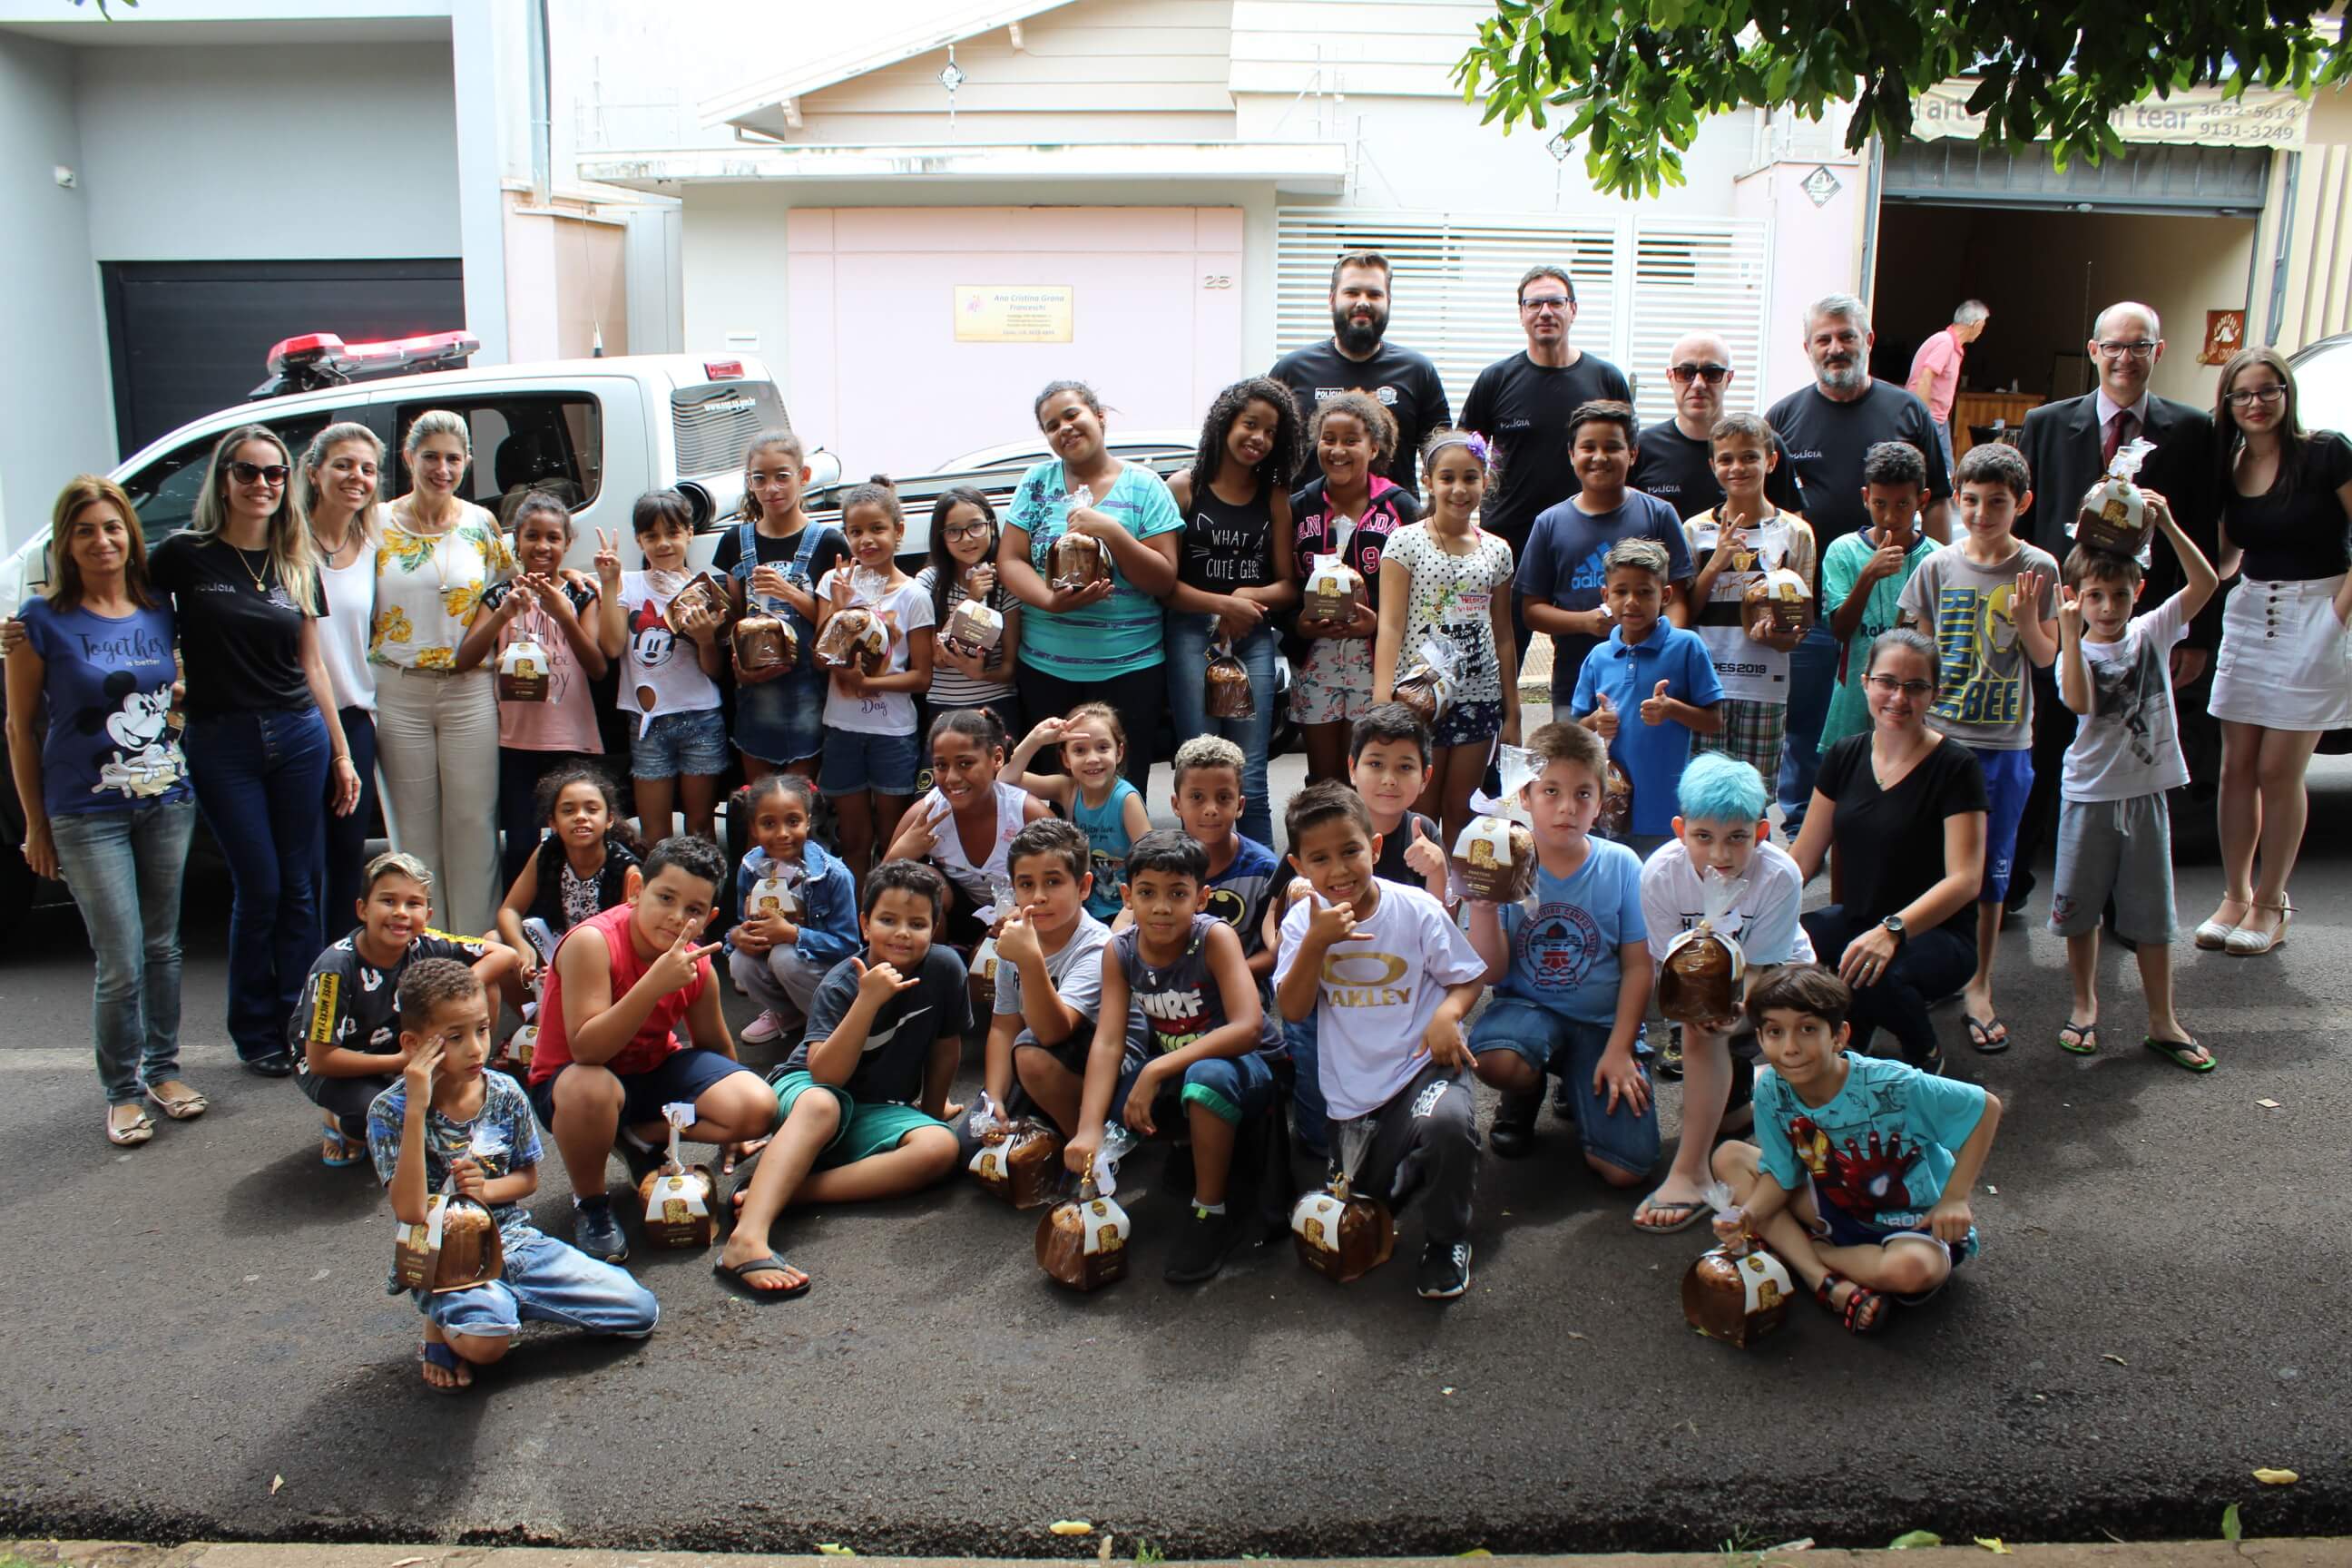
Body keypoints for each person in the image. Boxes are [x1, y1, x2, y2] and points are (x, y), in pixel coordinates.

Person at [149, 423, 362, 1074]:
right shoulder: (183, 554)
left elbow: (313, 665)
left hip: (297, 734)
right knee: (259, 885)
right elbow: (132, 621)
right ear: (224, 480)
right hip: (223, 740)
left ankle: (302, 1027)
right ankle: (254, 1030)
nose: (263, 484)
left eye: (274, 474)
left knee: (300, 886)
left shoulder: (296, 559)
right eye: (248, 472)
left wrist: (341, 753)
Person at [6, 476, 202, 1146]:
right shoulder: (38, 621)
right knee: (120, 959)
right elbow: (19, 728)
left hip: (166, 799)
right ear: (65, 542)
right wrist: (34, 824)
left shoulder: (158, 608)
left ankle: (163, 1071)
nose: (101, 541)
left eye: (113, 527)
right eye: (85, 530)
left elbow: (175, 686)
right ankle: (121, 1091)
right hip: (85, 813)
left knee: (163, 947)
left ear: (130, 535)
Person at [2012, 301, 2220, 919]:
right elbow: (2025, 524)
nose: (2125, 358)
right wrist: (2031, 618)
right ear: (2094, 351)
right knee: (2044, 747)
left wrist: (2196, 636)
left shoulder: (2192, 430)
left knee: (2127, 755)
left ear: (2159, 352)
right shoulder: (2047, 423)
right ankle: (2014, 881)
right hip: (2062, 619)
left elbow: (2204, 528)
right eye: (2114, 346)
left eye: (2139, 346)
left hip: (2142, 626)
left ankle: (2121, 903)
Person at [369, 958, 658, 1390]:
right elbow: (410, 1211)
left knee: (639, 1312)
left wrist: (486, 1190)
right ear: (413, 1044)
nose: (476, 1049)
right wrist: (416, 1108)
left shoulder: (504, 1091)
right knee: (487, 1344)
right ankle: (445, 1322)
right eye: (455, 1037)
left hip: (515, 1241)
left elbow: (528, 1179)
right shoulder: (390, 1111)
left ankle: (501, 1304)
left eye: (483, 1030)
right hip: (445, 1259)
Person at [715, 861, 968, 1298]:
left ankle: (794, 1190)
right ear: (865, 924)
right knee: (824, 1104)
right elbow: (825, 1073)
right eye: (888, 920)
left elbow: (946, 1048)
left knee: (941, 1148)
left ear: (934, 928)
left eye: (917, 924)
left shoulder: (945, 968)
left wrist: (930, 1114)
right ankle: (746, 1239)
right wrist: (867, 1002)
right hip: (807, 1090)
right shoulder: (842, 983)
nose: (902, 933)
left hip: (874, 1109)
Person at [1275, 782, 1486, 1299]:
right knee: (1361, 1210)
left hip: (1422, 1070)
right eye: (1320, 859)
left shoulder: (1415, 908)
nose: (1339, 870)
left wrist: (1448, 1014)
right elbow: (1293, 1008)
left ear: (1373, 847)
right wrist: (1316, 943)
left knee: (1447, 1127)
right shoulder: (1303, 921)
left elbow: (1468, 977)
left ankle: (1447, 1240)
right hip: (1353, 1095)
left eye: (1350, 850)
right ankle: (1405, 1169)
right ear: (1298, 867)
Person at [1710, 965, 2003, 1336]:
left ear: (1839, 1036)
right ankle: (1822, 1281)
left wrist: (1955, 1199)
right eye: (1775, 1032)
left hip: (1912, 1223)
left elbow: (1985, 1107)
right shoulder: (1771, 1089)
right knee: (1729, 1157)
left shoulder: (1892, 1084)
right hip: (1835, 1204)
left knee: (1912, 1271)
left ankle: (1806, 1253)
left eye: (1807, 1029)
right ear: (1760, 1038)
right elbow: (1782, 1175)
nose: (1790, 1048)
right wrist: (1747, 1217)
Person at [527, 835, 779, 1263]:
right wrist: (652, 985)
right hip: (575, 1084)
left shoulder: (696, 961)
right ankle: (591, 1203)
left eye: (694, 910)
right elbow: (587, 1050)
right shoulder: (592, 942)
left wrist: (736, 1132)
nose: (676, 918)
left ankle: (639, 1135)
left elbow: (715, 1044)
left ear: (708, 918)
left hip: (651, 1073)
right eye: (665, 898)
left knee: (757, 1108)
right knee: (591, 1088)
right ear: (635, 890)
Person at [1766, 296, 1954, 835]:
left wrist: (1937, 576)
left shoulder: (1907, 411)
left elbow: (1939, 501)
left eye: (1846, 336)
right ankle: (1803, 825)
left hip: (1896, 608)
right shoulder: (1784, 417)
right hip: (1810, 606)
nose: (1836, 348)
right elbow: (1770, 513)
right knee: (1809, 722)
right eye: (1823, 339)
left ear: (1867, 341)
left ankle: (1877, 818)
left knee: (1889, 714)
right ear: (1807, 348)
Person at [1068, 828, 1285, 1284]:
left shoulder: (1214, 938)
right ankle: (1189, 1150)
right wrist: (1088, 1129)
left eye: (1178, 893)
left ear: (1201, 898)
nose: (1162, 907)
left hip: (1249, 1070)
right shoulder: (1120, 951)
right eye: (1147, 892)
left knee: (1204, 1077)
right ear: (1127, 897)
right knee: (1117, 1101)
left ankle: (1211, 1211)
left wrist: (1158, 1068)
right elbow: (1108, 1042)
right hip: (1180, 1067)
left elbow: (1248, 1027)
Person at [1897, 442, 2059, 1053]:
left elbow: (2046, 658)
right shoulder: (1937, 566)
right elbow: (1919, 656)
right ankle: (1927, 968)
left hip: (2004, 744)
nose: (1982, 514)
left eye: (1997, 502)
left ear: (2023, 503)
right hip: (1939, 740)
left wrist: (2027, 620)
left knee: (1991, 872)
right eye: (1970, 501)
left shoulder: (2039, 567)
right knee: (1928, 865)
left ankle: (1980, 983)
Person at [2053, 508, 2219, 1071]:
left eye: (2119, 596)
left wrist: (2167, 523)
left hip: (2146, 794)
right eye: (2095, 597)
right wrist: (2069, 634)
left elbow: (2206, 583)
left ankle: (2162, 1020)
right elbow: (2079, 701)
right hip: (2088, 795)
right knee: (2080, 911)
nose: (2107, 608)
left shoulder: (2152, 630)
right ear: (2076, 597)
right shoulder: (2074, 651)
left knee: (2153, 915)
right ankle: (2084, 1005)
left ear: (2137, 593)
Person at [2200, 346, 2352, 956]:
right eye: (2242, 394)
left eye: (2268, 390)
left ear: (2286, 393)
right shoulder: (2230, 466)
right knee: (2235, 767)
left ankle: (2271, 902)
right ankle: (2235, 895)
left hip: (2317, 610)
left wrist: (2334, 621)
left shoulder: (2325, 452)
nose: (2255, 403)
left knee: (2277, 771)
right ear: (2228, 404)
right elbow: (2226, 560)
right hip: (2249, 613)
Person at [1463, 721, 1657, 1181]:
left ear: (1601, 802)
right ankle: (1523, 1094)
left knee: (1626, 1169)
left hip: (1602, 1023)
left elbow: (1638, 967)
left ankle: (1580, 1075)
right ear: (1525, 796)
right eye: (1551, 791)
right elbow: (1492, 973)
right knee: (1498, 1058)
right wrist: (1485, 909)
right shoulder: (1503, 858)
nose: (1568, 807)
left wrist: (1620, 1049)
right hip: (1527, 1012)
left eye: (1583, 794)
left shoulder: (1623, 865)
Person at [1788, 630, 1988, 1073]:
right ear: (1865, 683)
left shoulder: (1957, 766)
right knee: (1788, 945)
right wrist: (1748, 909)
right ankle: (1854, 1028)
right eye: (1887, 682)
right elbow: (1801, 859)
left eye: (1915, 686)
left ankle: (1924, 1051)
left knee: (1876, 971)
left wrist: (1893, 930)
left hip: (1936, 934)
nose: (1899, 697)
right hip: (1859, 920)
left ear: (1934, 694)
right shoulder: (1844, 755)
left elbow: (1966, 879)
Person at [1632, 755, 1813, 1230]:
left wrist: (1737, 1012)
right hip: (1699, 983)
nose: (1720, 854)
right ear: (1680, 830)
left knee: (1799, 1038)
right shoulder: (1660, 874)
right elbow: (1670, 966)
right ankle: (1701, 1158)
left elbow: (1760, 969)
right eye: (1703, 837)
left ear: (1761, 832)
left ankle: (1693, 1166)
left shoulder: (1780, 874)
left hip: (1774, 977)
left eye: (1737, 837)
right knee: (1701, 1035)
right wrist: (1704, 1012)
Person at [998, 380, 1183, 786]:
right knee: (1056, 789)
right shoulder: (1037, 482)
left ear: (1099, 418)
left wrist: (1111, 532)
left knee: (1122, 790)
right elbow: (1010, 559)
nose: (1063, 428)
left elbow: (1163, 579)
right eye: (1051, 425)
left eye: (1072, 415)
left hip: (1130, 669)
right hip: (1046, 669)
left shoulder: (1144, 486)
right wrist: (1050, 600)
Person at [372, 410, 514, 938]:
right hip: (398, 688)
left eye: (453, 458)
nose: (442, 469)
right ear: (408, 458)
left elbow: (508, 586)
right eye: (430, 456)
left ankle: (473, 951)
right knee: (413, 830)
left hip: (469, 690)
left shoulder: (480, 523)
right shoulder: (374, 522)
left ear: (467, 463)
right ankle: (422, 948)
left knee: (473, 824)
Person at [296, 851, 514, 1167]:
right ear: (362, 909)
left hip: (402, 1044)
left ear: (427, 915)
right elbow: (319, 1059)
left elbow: (504, 955)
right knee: (384, 1114)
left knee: (481, 986)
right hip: (339, 1063)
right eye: (388, 901)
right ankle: (340, 1123)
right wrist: (401, 1060)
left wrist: (449, 994)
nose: (400, 913)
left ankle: (461, 1081)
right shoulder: (335, 968)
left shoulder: (424, 942)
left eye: (413, 904)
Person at [1460, 264, 1632, 652]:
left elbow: (1627, 455)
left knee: (1592, 656)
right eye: (1534, 304)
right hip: (1511, 540)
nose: (1545, 312)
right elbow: (1466, 456)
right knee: (1499, 656)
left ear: (1573, 309)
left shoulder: (1605, 379)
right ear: (1521, 313)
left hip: (1588, 543)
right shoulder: (1496, 380)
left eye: (1555, 302)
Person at [1166, 377, 1303, 846]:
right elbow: (1165, 586)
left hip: (1252, 639)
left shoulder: (1274, 496)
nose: (1259, 438)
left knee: (1252, 775)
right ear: (1226, 423)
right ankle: (1195, 877)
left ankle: (1261, 880)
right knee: (1198, 767)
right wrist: (1224, 603)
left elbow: (1289, 585)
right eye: (1250, 424)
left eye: (1271, 432)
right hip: (1191, 634)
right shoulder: (1184, 488)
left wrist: (1250, 595)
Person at [1372, 429, 1521, 844]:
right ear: (1428, 481)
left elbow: (1504, 634)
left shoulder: (1498, 550)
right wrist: (1382, 700)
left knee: (1462, 810)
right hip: (1419, 700)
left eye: (1470, 478)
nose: (1459, 489)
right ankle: (1418, 884)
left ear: (1485, 482)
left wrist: (1512, 713)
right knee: (1420, 812)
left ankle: (1452, 889)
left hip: (1479, 698)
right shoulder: (1405, 543)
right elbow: (1390, 625)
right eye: (1448, 478)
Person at [456, 493, 606, 892]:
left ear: (567, 543)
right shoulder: (499, 596)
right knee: (522, 843)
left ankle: (574, 919)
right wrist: (504, 615)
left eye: (553, 538)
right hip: (516, 742)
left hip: (570, 740)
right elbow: (465, 657)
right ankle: (522, 920)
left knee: (575, 843)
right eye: (532, 536)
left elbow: (597, 666)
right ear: (516, 541)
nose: (542, 546)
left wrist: (563, 614)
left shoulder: (580, 594)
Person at [1518, 399, 1695, 704]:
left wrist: (1665, 653)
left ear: (1633, 453)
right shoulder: (1549, 523)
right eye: (1588, 447)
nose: (1599, 457)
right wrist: (1585, 621)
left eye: (1612, 447)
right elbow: (1532, 611)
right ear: (1572, 454)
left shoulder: (1659, 515)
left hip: (1649, 683)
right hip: (1575, 683)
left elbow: (1677, 599)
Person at [1289, 391, 1418, 785]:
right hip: (1316, 660)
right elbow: (1286, 580)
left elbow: (1416, 589)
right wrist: (1298, 624)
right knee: (1323, 777)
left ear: (1373, 447)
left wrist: (1377, 622)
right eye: (1328, 439)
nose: (1338, 450)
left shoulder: (1400, 507)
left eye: (1351, 440)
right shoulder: (1300, 505)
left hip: (1375, 661)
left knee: (1364, 776)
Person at [1682, 413, 1817, 780]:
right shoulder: (1695, 530)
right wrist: (1717, 562)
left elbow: (1801, 620)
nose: (1737, 467)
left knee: (1754, 791)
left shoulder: (1796, 532)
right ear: (1713, 466)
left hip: (1765, 685)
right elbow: (1685, 612)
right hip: (1706, 683)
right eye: (1726, 459)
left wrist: (1783, 637)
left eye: (1749, 457)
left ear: (1770, 461)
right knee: (1701, 790)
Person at [1571, 538, 1724, 857]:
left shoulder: (1687, 647)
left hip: (1667, 810)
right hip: (1609, 810)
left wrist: (1672, 709)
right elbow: (1577, 729)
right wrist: (1596, 721)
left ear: (1664, 595)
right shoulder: (1598, 657)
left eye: (1644, 592)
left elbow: (1714, 721)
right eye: (1621, 592)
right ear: (1605, 596)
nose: (1632, 602)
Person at [814, 478, 936, 876]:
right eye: (855, 531)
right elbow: (820, 660)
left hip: (892, 733)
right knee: (852, 839)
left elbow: (921, 677)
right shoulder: (834, 583)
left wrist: (868, 684)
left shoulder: (914, 595)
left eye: (877, 529)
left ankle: (886, 905)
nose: (866, 540)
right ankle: (856, 908)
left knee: (892, 836)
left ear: (898, 531)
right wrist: (838, 608)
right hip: (843, 727)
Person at [593, 491, 728, 843]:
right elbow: (611, 646)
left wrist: (705, 640)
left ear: (690, 533)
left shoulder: (703, 590)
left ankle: (700, 883)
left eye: (673, 532)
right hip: (647, 723)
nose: (663, 544)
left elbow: (715, 670)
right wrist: (608, 582)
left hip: (701, 717)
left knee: (700, 828)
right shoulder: (628, 584)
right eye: (652, 536)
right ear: (639, 540)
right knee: (654, 835)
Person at [716, 429, 848, 783]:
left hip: (809, 690)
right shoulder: (734, 541)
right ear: (749, 482)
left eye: (782, 477)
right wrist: (738, 667)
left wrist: (789, 592)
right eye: (760, 479)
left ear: (803, 476)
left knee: (801, 798)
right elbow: (735, 621)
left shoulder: (828, 542)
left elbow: (834, 629)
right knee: (759, 797)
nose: (771, 488)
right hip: (755, 691)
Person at [296, 422, 385, 935]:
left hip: (355, 715)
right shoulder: (287, 544)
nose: (356, 477)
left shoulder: (373, 544)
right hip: (299, 718)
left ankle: (337, 968)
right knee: (304, 863)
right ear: (315, 473)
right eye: (343, 465)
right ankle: (302, 970)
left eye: (367, 469)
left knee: (348, 858)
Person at [1269, 251, 1450, 501]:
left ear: (1388, 301)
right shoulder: (1291, 371)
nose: (1363, 302)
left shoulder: (1418, 372)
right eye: (1352, 292)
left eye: (1374, 294)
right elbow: (1268, 455)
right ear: (1332, 300)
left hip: (1395, 522)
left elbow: (1443, 459)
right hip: (1308, 521)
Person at [981, 819, 1119, 1128]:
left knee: (1032, 1055)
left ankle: (1084, 1141)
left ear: (1083, 887)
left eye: (1053, 882)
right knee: (974, 1140)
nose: (1038, 896)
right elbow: (1004, 1025)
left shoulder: (1098, 947)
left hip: (1098, 1072)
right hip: (1039, 1059)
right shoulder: (1018, 938)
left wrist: (1029, 959)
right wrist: (994, 1098)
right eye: (1026, 885)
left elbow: (1053, 1032)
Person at [885, 709, 1051, 952]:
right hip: (956, 920)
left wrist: (1026, 914)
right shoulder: (925, 816)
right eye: (941, 765)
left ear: (997, 758)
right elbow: (876, 895)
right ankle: (934, 964)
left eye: (965, 764)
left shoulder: (1027, 814)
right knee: (917, 880)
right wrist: (899, 854)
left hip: (1025, 919)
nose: (952, 777)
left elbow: (1067, 885)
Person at [493, 765, 641, 1021]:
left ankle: (584, 1025)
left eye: (592, 809)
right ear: (553, 822)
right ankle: (536, 1023)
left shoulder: (626, 869)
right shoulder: (547, 852)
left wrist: (566, 971)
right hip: (558, 945)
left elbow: (628, 945)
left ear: (609, 819)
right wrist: (521, 947)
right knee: (495, 943)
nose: (581, 817)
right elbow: (510, 910)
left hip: (605, 958)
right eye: (568, 810)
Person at [1819, 442, 1937, 752]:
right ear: (1865, 497)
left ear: (1922, 500)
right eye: (1879, 503)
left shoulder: (1936, 558)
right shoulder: (1843, 551)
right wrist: (1868, 575)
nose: (1889, 516)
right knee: (1851, 766)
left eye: (1902, 504)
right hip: (1854, 698)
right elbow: (1840, 630)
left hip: (1913, 699)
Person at [727, 771, 860, 1045]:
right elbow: (743, 922)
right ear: (753, 828)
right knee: (740, 960)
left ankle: (832, 1020)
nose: (782, 834)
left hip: (828, 973)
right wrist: (737, 936)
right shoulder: (750, 868)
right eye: (769, 823)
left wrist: (793, 935)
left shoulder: (833, 874)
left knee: (784, 957)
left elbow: (849, 946)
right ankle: (789, 1012)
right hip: (787, 967)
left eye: (793, 821)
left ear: (808, 821)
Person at [1629, 331, 1807, 520]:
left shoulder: (1763, 444)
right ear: (1670, 377)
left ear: (1729, 378)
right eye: (1686, 373)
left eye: (1712, 374)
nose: (1698, 384)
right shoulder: (1641, 449)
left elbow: (1792, 526)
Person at [1006, 704, 1148, 925]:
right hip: (1082, 908)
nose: (1092, 758)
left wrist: (1127, 916)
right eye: (1080, 750)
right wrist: (1036, 739)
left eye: (1103, 748)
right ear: (1066, 758)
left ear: (1119, 752)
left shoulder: (1126, 800)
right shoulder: (1069, 789)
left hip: (1126, 910)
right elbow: (1007, 781)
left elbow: (1150, 863)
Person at [1169, 734, 1289, 987]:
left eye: (1223, 797)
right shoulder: (1162, 865)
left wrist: (1220, 976)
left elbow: (1276, 950)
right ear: (1176, 804)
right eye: (1197, 797)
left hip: (1242, 985)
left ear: (1240, 805)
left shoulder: (1263, 870)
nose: (1211, 809)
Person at [917, 487, 1021, 740]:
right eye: (953, 531)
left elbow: (1009, 667)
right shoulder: (929, 582)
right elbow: (937, 657)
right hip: (945, 707)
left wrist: (981, 674)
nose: (966, 539)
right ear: (941, 537)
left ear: (991, 526)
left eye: (975, 526)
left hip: (996, 705)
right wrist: (971, 598)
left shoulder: (1007, 582)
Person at [1348, 702, 1449, 903]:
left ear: (1425, 777)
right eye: (1376, 764)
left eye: (1405, 767)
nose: (1389, 780)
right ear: (1353, 769)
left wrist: (1438, 869)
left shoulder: (1424, 833)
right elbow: (1281, 904)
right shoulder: (1324, 828)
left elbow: (1443, 919)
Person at [1906, 300, 1990, 474]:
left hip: (1939, 420)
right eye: (1983, 325)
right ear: (1976, 324)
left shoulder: (1950, 344)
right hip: (1930, 420)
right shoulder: (1945, 343)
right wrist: (1924, 419)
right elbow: (1925, 377)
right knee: (1940, 472)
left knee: (1944, 471)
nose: (1982, 330)